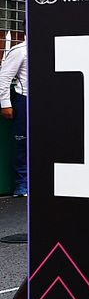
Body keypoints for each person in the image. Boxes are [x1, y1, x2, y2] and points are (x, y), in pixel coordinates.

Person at [0, 37, 27, 197]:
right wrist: (5, 104)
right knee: (22, 142)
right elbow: (4, 78)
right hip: (24, 99)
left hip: (46, 101)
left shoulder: (51, 46)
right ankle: (22, 185)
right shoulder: (20, 50)